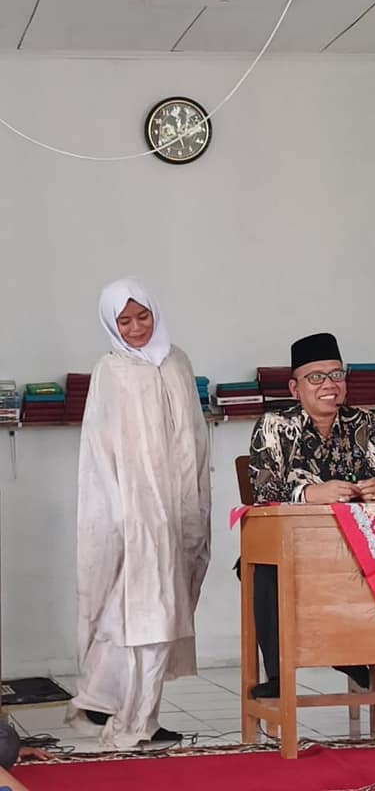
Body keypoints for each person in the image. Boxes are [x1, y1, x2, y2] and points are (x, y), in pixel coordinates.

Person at [67, 278, 211, 749]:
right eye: (124, 320)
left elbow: (193, 437)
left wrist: (193, 504)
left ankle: (110, 704)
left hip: (180, 508)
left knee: (149, 617)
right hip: (135, 512)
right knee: (146, 618)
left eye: (142, 316)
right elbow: (100, 449)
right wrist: (121, 513)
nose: (135, 328)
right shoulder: (111, 371)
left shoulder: (178, 362)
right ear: (111, 324)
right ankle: (130, 719)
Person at [248, 332, 375, 698]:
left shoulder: (365, 423)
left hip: (354, 543)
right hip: (292, 546)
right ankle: (279, 676)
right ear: (295, 388)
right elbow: (263, 491)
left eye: (336, 375)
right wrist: (309, 494)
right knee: (265, 569)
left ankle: (353, 652)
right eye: (316, 377)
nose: (329, 385)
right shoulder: (274, 425)